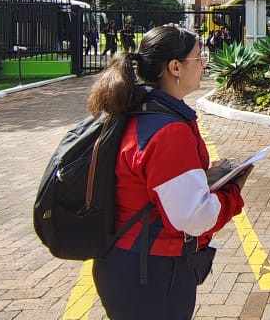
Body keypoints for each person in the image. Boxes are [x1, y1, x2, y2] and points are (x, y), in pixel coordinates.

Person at [86, 25, 249, 320]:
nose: (204, 64)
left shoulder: (142, 109)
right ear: (174, 67)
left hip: (130, 264)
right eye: (199, 58)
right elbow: (194, 217)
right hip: (152, 273)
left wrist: (205, 178)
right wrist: (232, 191)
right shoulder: (167, 130)